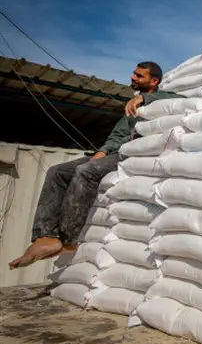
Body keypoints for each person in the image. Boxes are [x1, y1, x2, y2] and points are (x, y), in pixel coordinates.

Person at [8, 62, 180, 269]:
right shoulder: (133, 106)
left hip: (134, 154)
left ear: (154, 81)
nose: (133, 77)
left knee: (85, 171)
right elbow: (118, 133)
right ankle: (46, 236)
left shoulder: (160, 99)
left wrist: (145, 97)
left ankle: (69, 239)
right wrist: (103, 151)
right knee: (58, 172)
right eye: (134, 73)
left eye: (139, 76)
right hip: (115, 151)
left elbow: (183, 101)